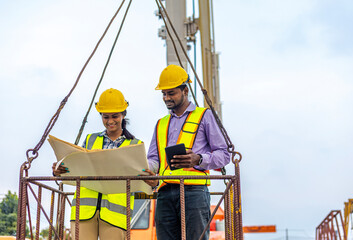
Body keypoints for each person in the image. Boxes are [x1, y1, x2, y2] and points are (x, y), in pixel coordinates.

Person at [145, 65, 231, 240]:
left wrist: (198, 159)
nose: (166, 98)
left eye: (171, 93)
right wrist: (146, 170)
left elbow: (224, 154)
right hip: (164, 191)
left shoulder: (204, 116)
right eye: (163, 94)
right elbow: (154, 158)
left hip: (194, 191)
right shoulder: (161, 123)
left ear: (185, 90)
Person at [52, 88, 141, 240]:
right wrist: (59, 170)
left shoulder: (135, 145)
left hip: (116, 217)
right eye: (105, 117)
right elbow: (76, 167)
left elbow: (140, 180)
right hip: (84, 212)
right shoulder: (89, 140)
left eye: (115, 116)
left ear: (124, 114)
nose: (110, 121)